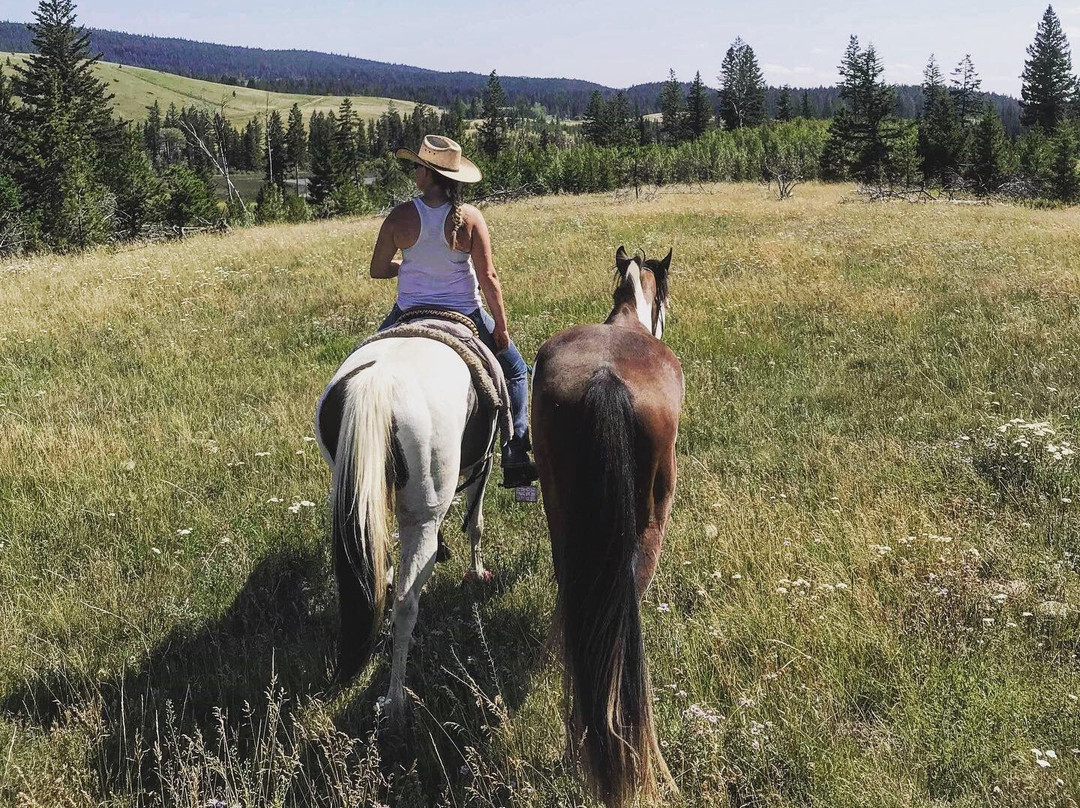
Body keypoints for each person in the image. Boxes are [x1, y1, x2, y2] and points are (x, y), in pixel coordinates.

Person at [369, 134, 538, 488]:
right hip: (466, 313)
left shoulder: (400, 216)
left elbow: (378, 269)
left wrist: (409, 267)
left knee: (364, 360)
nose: (414, 171)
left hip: (408, 312)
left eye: (418, 166)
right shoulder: (471, 218)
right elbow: (489, 278)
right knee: (518, 371)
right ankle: (516, 449)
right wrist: (502, 328)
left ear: (427, 175)